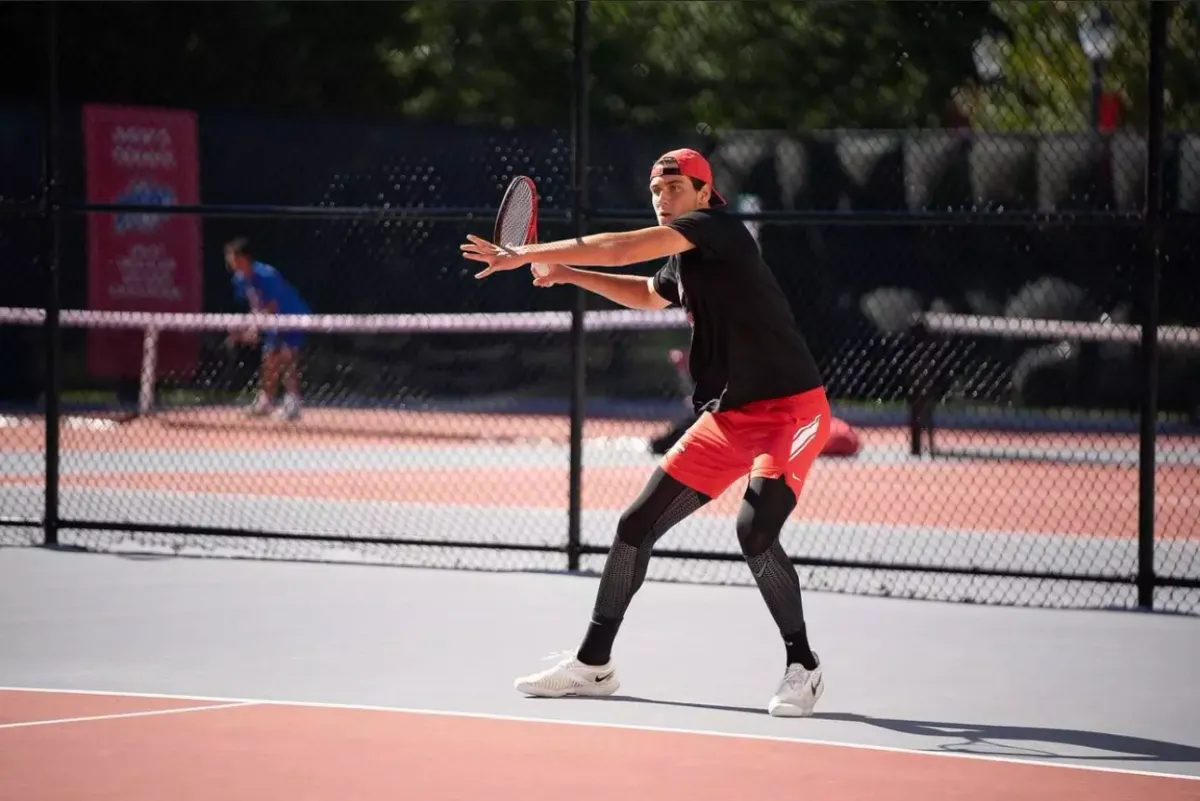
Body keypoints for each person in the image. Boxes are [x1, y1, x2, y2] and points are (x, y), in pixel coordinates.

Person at [461, 148, 831, 717]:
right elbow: (642, 290)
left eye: (676, 188)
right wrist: (564, 273)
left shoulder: (717, 231)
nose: (664, 199)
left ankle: (802, 666)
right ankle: (593, 664)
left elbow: (622, 247)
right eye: (657, 191)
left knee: (755, 531)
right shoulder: (684, 256)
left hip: (792, 411)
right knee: (636, 524)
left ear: (705, 194)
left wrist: (526, 254)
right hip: (730, 416)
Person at [224, 236, 309, 421]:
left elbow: (272, 305)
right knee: (269, 358)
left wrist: (254, 326)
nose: (230, 262)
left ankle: (293, 403)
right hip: (272, 320)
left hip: (290, 316)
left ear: (244, 258)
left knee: (287, 356)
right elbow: (255, 304)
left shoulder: (266, 274)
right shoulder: (239, 279)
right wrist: (248, 326)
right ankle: (266, 401)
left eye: (233, 257)